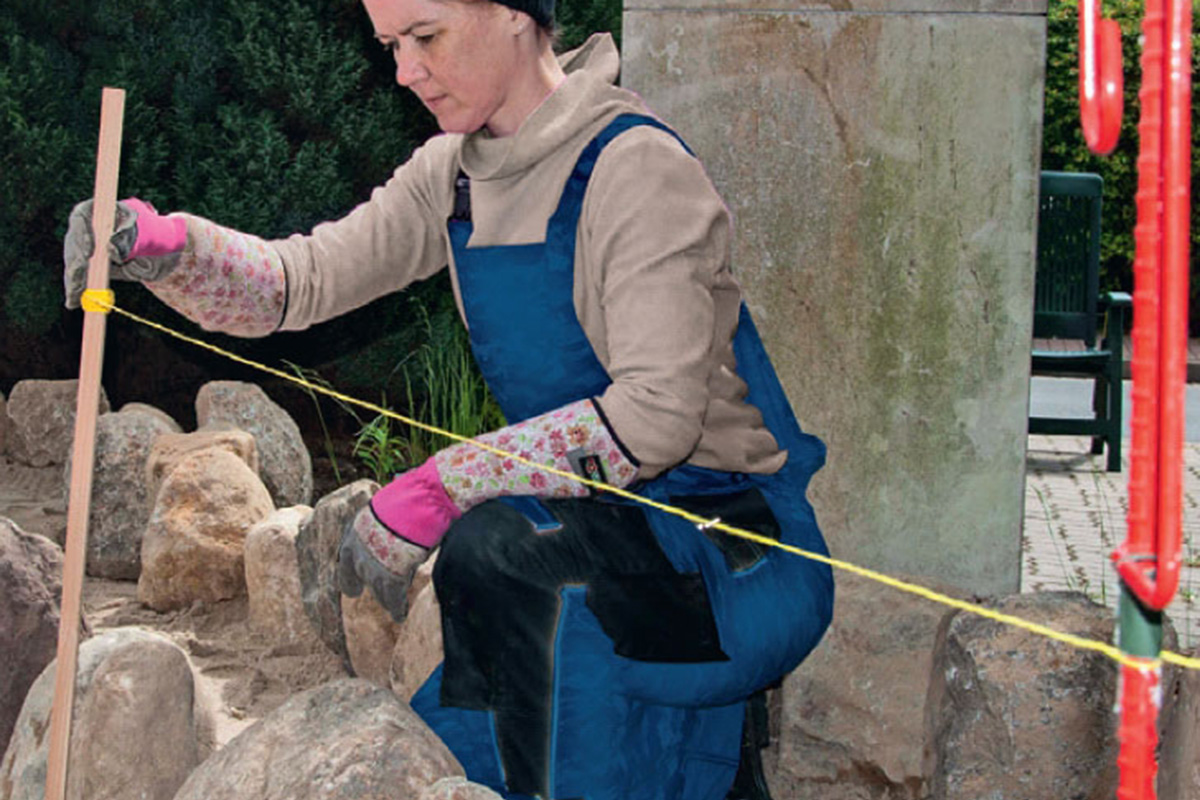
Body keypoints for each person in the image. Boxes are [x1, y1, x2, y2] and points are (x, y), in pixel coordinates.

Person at [62, 0, 835, 797]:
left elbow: (656, 419)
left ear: (513, 14)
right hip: (590, 543)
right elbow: (298, 283)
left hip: (735, 556)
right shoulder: (453, 175)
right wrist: (161, 247)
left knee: (503, 553)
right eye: (391, 45)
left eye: (425, 36)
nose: (404, 71)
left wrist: (441, 486)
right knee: (499, 580)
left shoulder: (637, 168)